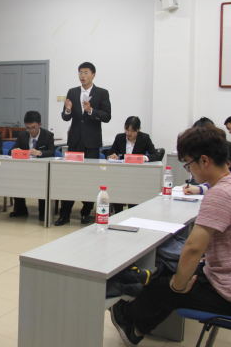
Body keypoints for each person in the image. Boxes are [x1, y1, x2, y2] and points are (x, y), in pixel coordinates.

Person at [110, 125, 231, 347]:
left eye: (188, 164)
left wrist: (177, 286)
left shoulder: (220, 194)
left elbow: (194, 248)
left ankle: (128, 320)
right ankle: (137, 326)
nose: (189, 171)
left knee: (163, 286)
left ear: (204, 160)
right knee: (170, 271)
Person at [56, 62, 111, 226]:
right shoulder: (72, 92)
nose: (82, 76)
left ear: (93, 74)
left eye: (86, 72)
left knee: (90, 178)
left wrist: (91, 111)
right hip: (75, 142)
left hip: (92, 143)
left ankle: (86, 213)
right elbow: (65, 117)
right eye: (80, 72)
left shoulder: (102, 93)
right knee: (70, 178)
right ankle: (64, 214)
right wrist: (67, 110)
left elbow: (107, 116)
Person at [106, 116, 158, 213]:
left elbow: (156, 155)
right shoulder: (120, 137)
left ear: (138, 130)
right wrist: (112, 156)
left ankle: (132, 213)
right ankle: (118, 213)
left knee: (133, 202)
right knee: (117, 191)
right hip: (120, 175)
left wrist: (144, 158)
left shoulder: (144, 138)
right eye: (126, 130)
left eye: (132, 131)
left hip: (137, 176)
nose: (128, 133)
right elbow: (109, 154)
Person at [10, 111, 55, 220]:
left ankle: (43, 212)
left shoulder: (48, 135)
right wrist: (15, 151)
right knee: (16, 181)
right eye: (28, 128)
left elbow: (52, 152)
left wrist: (40, 153)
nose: (31, 130)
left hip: (41, 170)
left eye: (33, 127)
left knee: (44, 185)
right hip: (24, 170)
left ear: (39, 124)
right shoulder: (22, 135)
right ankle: (20, 210)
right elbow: (10, 151)